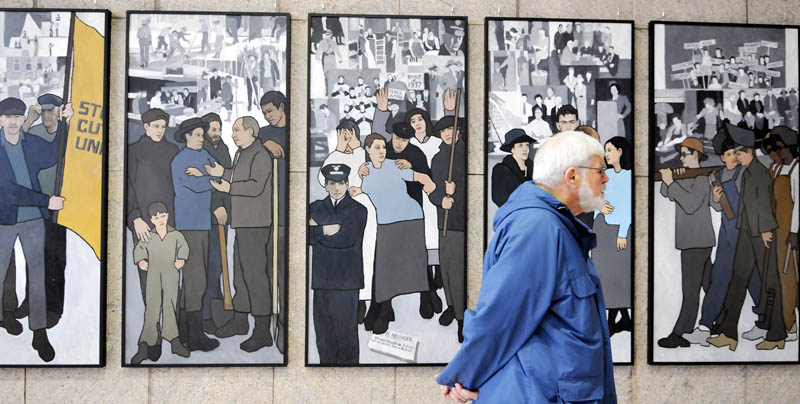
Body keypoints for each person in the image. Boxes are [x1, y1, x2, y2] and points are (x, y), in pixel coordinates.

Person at [436, 131, 615, 403]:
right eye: (600, 170)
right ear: (572, 175)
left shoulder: (552, 225)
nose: (605, 178)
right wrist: (466, 374)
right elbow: (502, 312)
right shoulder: (538, 227)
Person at [0, 97, 67, 363]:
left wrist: (64, 123)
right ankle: (5, 316)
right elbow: (6, 192)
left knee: (37, 276)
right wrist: (46, 201)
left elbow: (53, 154)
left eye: (18, 117)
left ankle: (39, 332)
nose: (14, 122)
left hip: (33, 221)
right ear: (1, 120)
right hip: (3, 219)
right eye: (8, 117)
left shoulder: (30, 143)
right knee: (1, 270)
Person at [709, 124, 785, 351]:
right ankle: (729, 334)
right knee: (738, 281)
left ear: (749, 152)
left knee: (770, 283)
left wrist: (765, 231)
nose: (737, 157)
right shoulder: (750, 172)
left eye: (739, 153)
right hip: (747, 232)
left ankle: (777, 334)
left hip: (761, 234)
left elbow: (763, 205)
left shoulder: (759, 172)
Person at [205, 116, 275, 353]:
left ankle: (262, 331)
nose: (233, 134)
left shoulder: (261, 154)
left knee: (255, 278)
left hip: (256, 224)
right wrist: (222, 171)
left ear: (250, 132)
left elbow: (255, 186)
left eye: (236, 130)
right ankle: (240, 321)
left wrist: (228, 187)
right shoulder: (242, 153)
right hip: (243, 223)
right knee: (240, 276)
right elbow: (238, 175)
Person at [358, 133, 436, 334]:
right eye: (376, 147)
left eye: (383, 147)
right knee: (385, 268)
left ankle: (426, 296)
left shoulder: (395, 165)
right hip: (385, 223)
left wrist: (432, 189)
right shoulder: (363, 171)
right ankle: (385, 309)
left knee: (417, 261)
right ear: (367, 149)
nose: (382, 151)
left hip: (411, 218)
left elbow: (424, 178)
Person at [13, 94, 70, 327]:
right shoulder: (33, 133)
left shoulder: (68, 133)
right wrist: (29, 119)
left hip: (60, 206)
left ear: (59, 111)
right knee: (34, 257)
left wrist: (71, 122)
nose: (47, 115)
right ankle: (32, 301)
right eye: (43, 111)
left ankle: (54, 307)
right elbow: (13, 144)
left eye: (51, 111)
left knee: (55, 258)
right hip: (37, 204)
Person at [656, 137, 715, 348]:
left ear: (696, 156)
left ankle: (681, 332)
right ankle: (720, 323)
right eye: (680, 154)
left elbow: (689, 204)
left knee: (690, 291)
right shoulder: (685, 176)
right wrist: (669, 179)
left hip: (697, 241)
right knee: (711, 286)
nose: (681, 158)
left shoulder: (701, 179)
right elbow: (665, 193)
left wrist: (671, 183)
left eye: (685, 154)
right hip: (692, 241)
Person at [308, 164, 368, 364]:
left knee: (346, 337)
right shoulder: (314, 207)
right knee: (324, 338)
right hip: (322, 280)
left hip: (346, 282)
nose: (336, 188)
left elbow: (347, 239)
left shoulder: (359, 210)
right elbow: (305, 236)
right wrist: (328, 230)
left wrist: (318, 231)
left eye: (341, 183)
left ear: (347, 184)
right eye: (332, 183)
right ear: (325, 185)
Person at [171, 117, 221, 353]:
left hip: (203, 224)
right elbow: (197, 185)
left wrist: (204, 177)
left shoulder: (205, 157)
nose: (202, 139)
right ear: (187, 137)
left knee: (197, 279)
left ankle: (184, 331)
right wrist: (208, 179)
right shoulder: (180, 160)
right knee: (195, 279)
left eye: (203, 135)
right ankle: (193, 334)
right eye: (198, 135)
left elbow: (218, 178)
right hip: (188, 225)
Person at [318, 120, 375, 326]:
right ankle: (350, 301)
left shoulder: (362, 153)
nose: (347, 139)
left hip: (363, 207)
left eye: (349, 134)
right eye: (342, 134)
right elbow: (321, 178)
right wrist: (339, 150)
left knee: (366, 256)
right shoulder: (336, 156)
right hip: (339, 210)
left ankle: (364, 302)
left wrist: (356, 147)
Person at [130, 202, 191, 364]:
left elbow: (184, 247)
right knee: (152, 308)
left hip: (171, 275)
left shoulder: (176, 235)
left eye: (163, 216)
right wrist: (141, 261)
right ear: (151, 220)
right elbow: (139, 249)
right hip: (153, 276)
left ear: (168, 215)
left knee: (170, 306)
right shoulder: (148, 236)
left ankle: (174, 341)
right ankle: (146, 344)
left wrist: (181, 260)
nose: (160, 219)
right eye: (156, 217)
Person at [428, 116, 467, 342]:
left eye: (451, 129)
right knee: (447, 269)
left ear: (459, 130)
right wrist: (441, 199)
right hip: (443, 220)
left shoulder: (466, 156)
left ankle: (462, 320)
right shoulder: (438, 158)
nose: (447, 133)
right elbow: (432, 189)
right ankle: (452, 306)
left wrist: (456, 192)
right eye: (443, 131)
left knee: (459, 272)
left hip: (460, 222)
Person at [258, 91, 289, 351]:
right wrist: (264, 141)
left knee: (285, 274)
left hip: (289, 215)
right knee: (270, 272)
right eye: (264, 113)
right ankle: (272, 325)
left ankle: (285, 326)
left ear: (281, 107)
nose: (267, 116)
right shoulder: (264, 135)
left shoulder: (295, 133)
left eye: (269, 111)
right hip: (270, 215)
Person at [762, 127, 799, 338]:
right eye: (774, 149)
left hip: (790, 231)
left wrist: (794, 232)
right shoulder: (777, 169)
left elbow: (798, 203)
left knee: (789, 277)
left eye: (780, 148)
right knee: (781, 276)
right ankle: (787, 322)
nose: (777, 153)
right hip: (777, 229)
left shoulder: (796, 169)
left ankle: (790, 326)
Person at [594, 137, 633, 336]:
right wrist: (599, 206)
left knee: (618, 275)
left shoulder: (629, 177)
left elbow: (628, 208)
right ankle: (624, 318)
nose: (607, 154)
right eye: (605, 150)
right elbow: (594, 199)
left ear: (620, 151)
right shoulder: (606, 175)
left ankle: (614, 321)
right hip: (602, 228)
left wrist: (623, 233)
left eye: (610, 150)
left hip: (618, 231)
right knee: (605, 275)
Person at [199, 113, 232, 334]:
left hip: (223, 216)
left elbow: (227, 179)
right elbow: (206, 183)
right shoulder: (201, 151)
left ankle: (215, 308)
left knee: (218, 264)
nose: (216, 133)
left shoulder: (224, 149)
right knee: (208, 266)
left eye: (218, 128)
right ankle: (205, 315)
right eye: (212, 129)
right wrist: (215, 206)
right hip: (208, 216)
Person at [491, 128, 536, 208]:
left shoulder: (534, 168)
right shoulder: (501, 170)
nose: (525, 149)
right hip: (513, 215)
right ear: (512, 149)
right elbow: (499, 198)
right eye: (520, 145)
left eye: (527, 145)